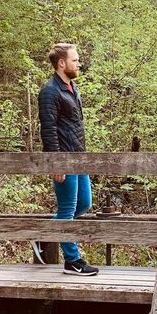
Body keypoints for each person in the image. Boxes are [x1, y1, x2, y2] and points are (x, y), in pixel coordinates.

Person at [37, 43, 99, 276]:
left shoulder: (71, 87)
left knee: (84, 203)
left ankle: (45, 234)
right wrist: (56, 163)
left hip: (78, 157)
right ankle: (72, 260)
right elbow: (48, 130)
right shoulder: (50, 91)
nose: (79, 64)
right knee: (67, 208)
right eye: (75, 60)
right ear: (62, 63)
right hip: (63, 157)